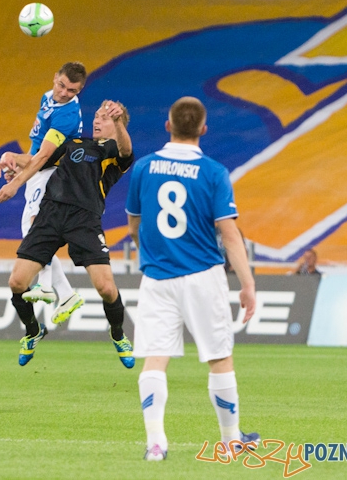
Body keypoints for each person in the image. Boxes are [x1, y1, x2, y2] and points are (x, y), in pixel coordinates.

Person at [126, 96, 259, 462]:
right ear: (203, 130)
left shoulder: (144, 168)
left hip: (157, 278)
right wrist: (247, 284)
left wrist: (148, 251)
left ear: (167, 125)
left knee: (155, 359)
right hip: (203, 275)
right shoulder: (214, 172)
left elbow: (134, 224)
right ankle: (231, 439)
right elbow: (230, 234)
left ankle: (156, 442)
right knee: (219, 358)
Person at [0, 101, 135, 369]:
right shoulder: (74, 143)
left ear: (118, 125)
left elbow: (126, 151)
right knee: (17, 282)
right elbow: (39, 159)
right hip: (50, 215)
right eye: (97, 115)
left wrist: (117, 124)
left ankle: (118, 334)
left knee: (106, 288)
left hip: (85, 220)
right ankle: (33, 330)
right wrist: (14, 157)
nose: (97, 120)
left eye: (105, 118)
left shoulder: (113, 152)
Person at [0, 62, 87, 324]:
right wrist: (20, 167)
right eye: (61, 85)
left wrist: (15, 182)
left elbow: (44, 157)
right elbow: (36, 149)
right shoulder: (47, 99)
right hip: (38, 173)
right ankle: (66, 294)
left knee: (36, 232)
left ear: (79, 90)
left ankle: (47, 286)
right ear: (54, 78)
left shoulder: (67, 115)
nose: (64, 92)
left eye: (72, 90)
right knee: (31, 231)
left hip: (52, 175)